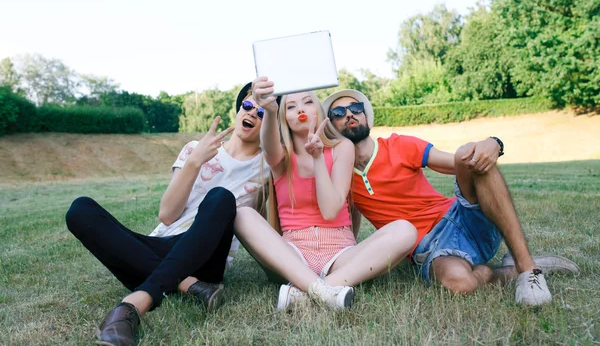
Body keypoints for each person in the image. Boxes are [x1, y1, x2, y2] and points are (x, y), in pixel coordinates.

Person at [321, 89, 580, 306]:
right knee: (460, 283)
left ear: (366, 114)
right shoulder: (341, 175)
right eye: (338, 113)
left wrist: (494, 143)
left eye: (355, 108)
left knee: (467, 155)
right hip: (430, 249)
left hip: (461, 218)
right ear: (331, 126)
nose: (349, 115)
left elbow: (459, 162)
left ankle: (528, 270)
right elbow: (348, 220)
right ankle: (511, 270)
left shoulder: (400, 145)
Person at [65, 83, 270, 346]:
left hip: (209, 256)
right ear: (239, 108)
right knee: (80, 210)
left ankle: (133, 305)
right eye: (249, 105)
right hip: (164, 244)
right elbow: (168, 215)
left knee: (221, 198)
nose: (253, 113)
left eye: (263, 113)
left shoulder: (267, 168)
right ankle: (188, 286)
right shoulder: (196, 148)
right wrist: (195, 161)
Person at [231, 77, 417, 311]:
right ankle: (325, 292)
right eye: (290, 106)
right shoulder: (281, 156)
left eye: (307, 102)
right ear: (284, 118)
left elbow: (330, 211)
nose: (300, 109)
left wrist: (318, 157)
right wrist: (269, 110)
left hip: (340, 256)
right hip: (293, 255)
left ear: (318, 111)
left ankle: (309, 291)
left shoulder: (342, 148)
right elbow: (268, 143)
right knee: (242, 214)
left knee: (405, 230)